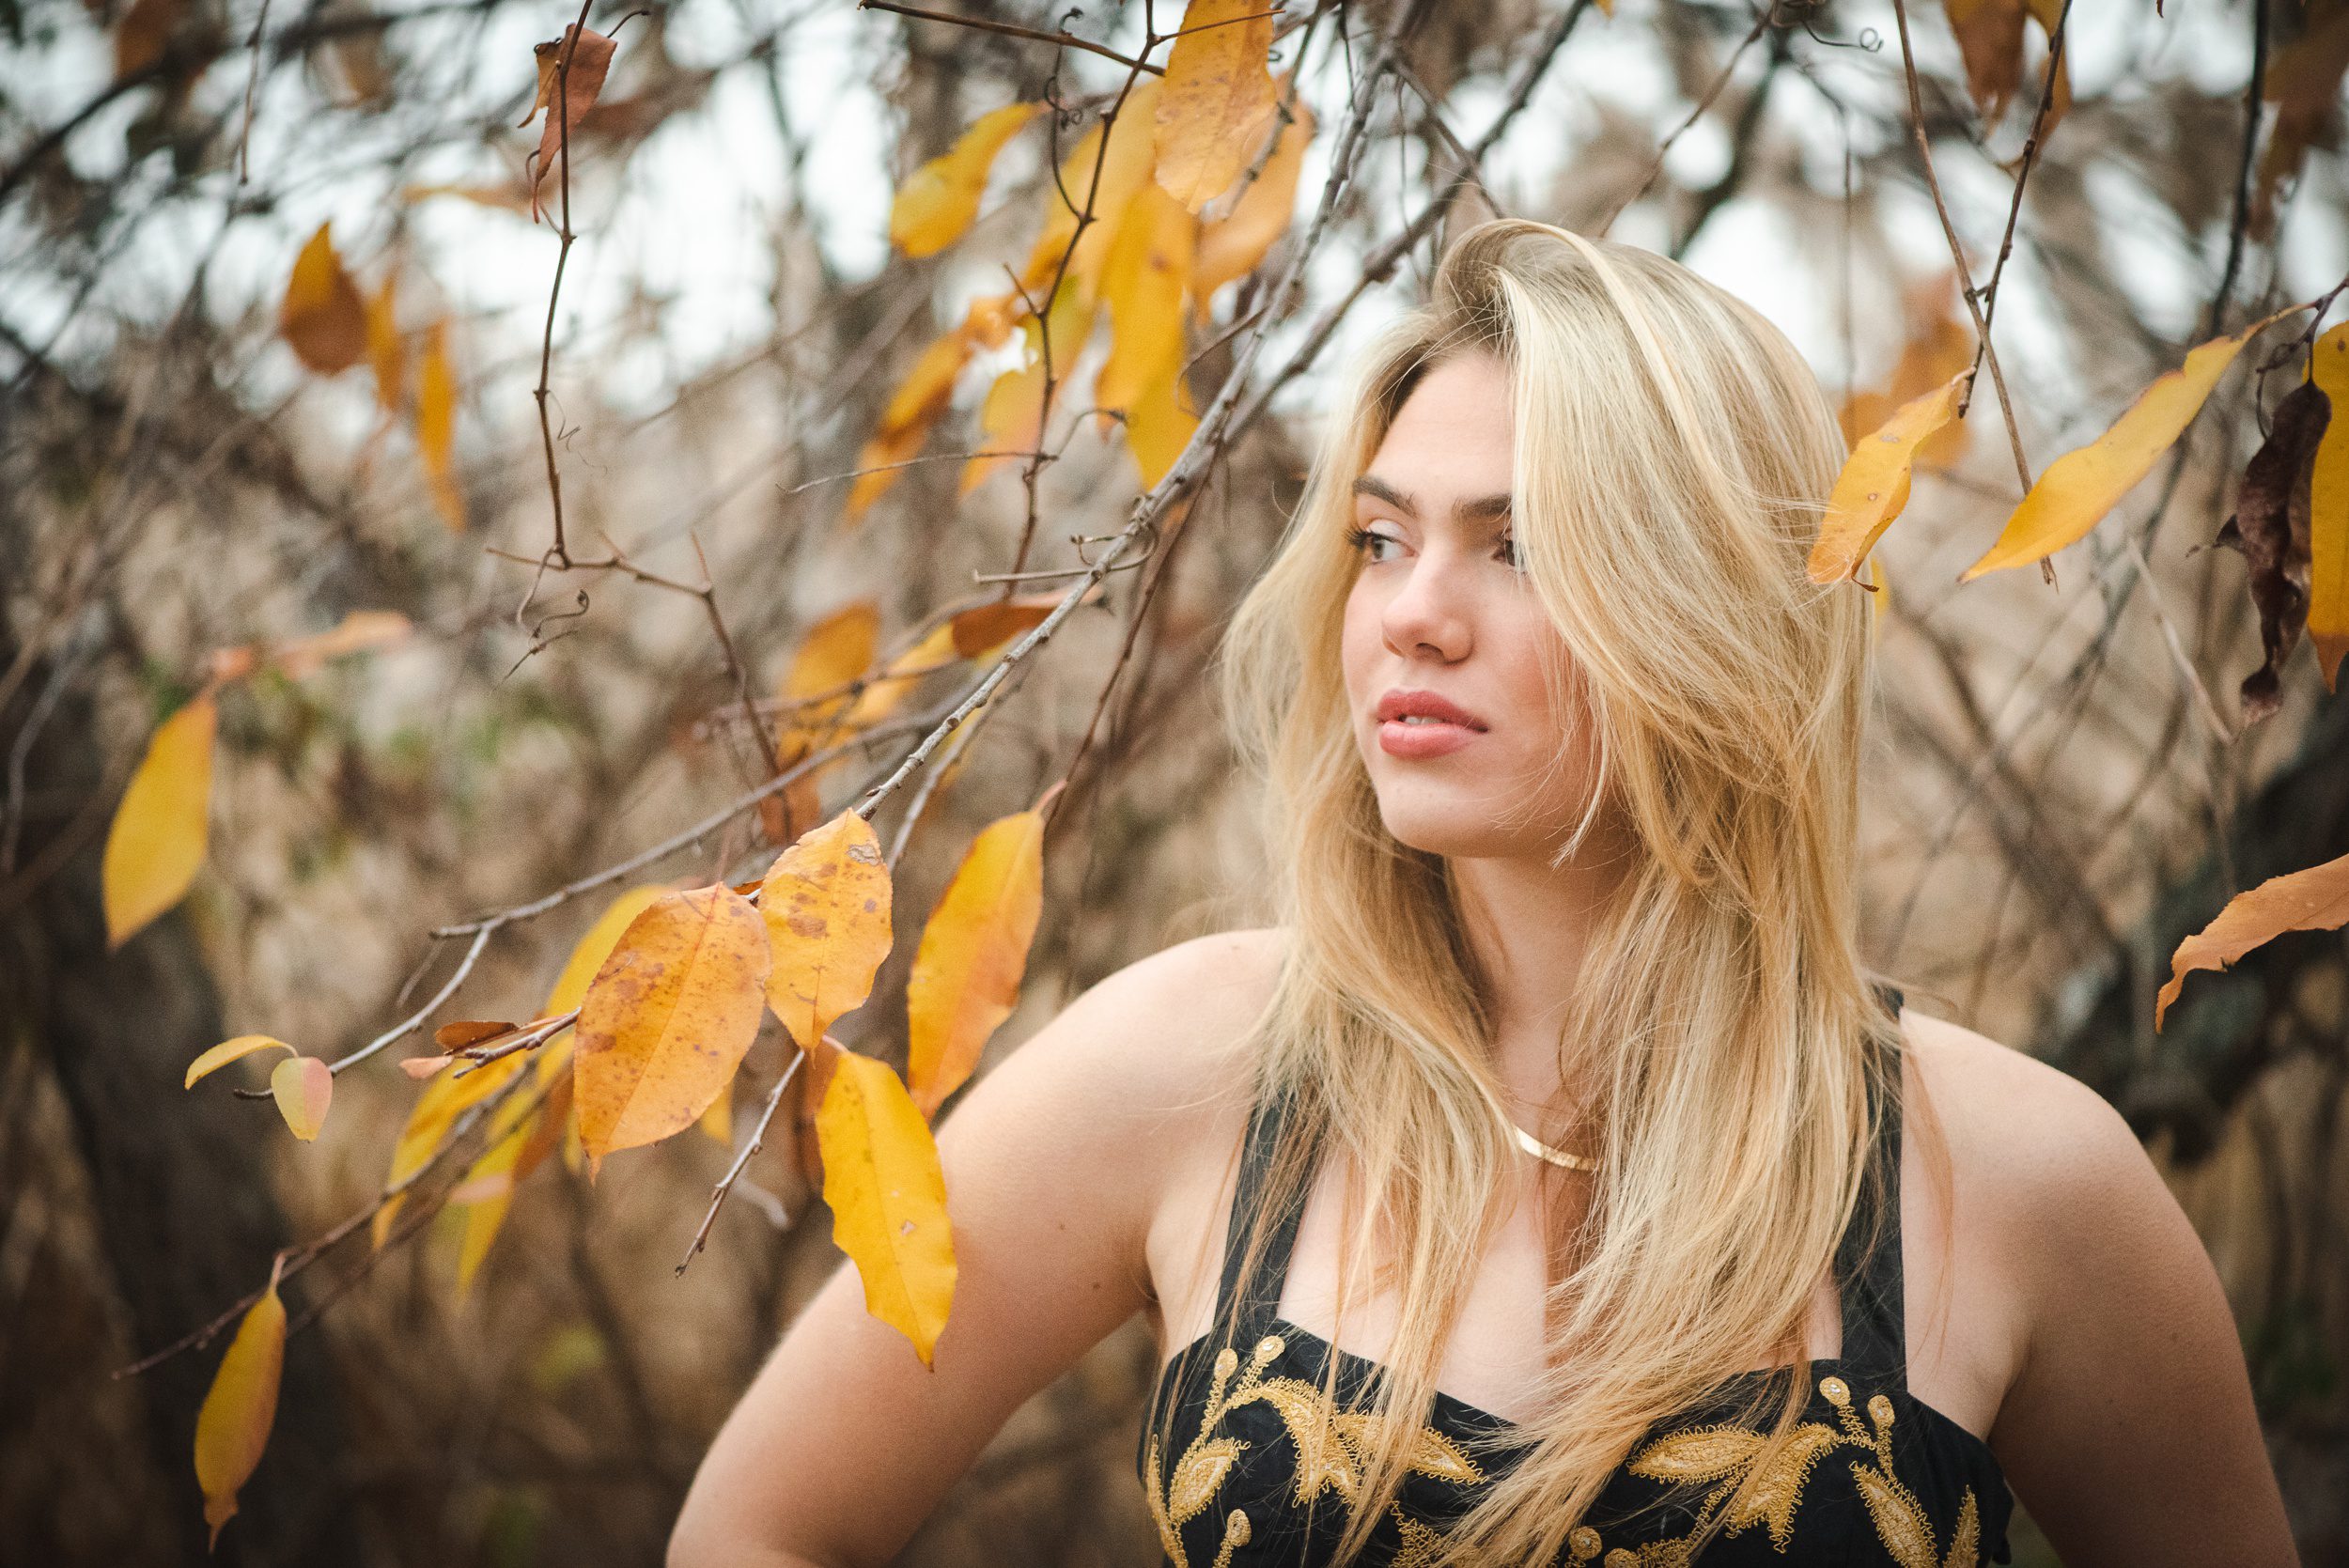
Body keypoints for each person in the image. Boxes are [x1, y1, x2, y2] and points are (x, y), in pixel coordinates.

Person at [666, 221, 2299, 1567]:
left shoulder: (2014, 1181)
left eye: (1517, 547)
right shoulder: (1195, 1067)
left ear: (1712, 608)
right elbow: (758, 1531)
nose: (1412, 619)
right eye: (1382, 541)